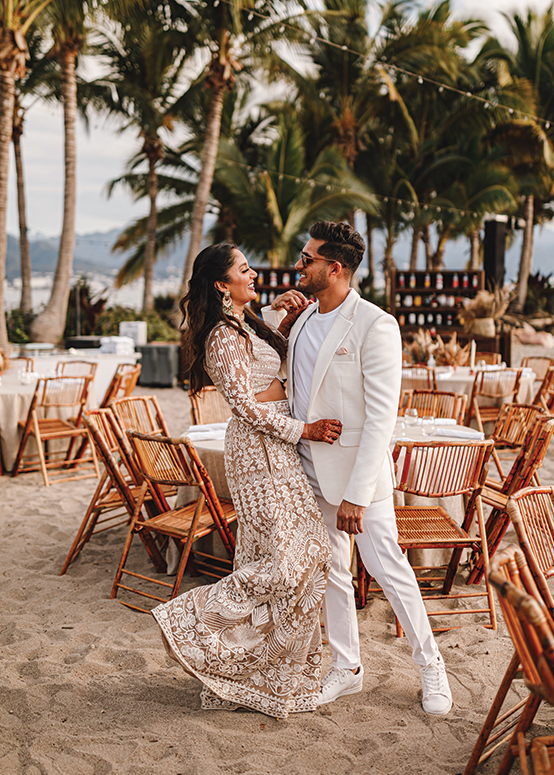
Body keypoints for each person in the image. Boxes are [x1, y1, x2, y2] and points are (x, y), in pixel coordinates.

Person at [264, 221, 453, 716]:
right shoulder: (303, 319)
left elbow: (380, 421)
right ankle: (345, 668)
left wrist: (357, 494)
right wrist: (275, 310)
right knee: (332, 573)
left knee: (390, 572)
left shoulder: (375, 324)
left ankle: (431, 666)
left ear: (336, 268)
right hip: (306, 469)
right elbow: (267, 359)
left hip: (357, 479)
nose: (299, 266)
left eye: (307, 260)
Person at [151, 243, 342, 720]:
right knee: (295, 558)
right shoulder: (220, 336)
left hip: (277, 449)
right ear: (221, 283)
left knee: (288, 555)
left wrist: (279, 314)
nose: (253, 273)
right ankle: (190, 618)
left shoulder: (243, 325)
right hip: (258, 453)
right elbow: (246, 405)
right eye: (243, 268)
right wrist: (306, 429)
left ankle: (261, 675)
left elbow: (264, 365)